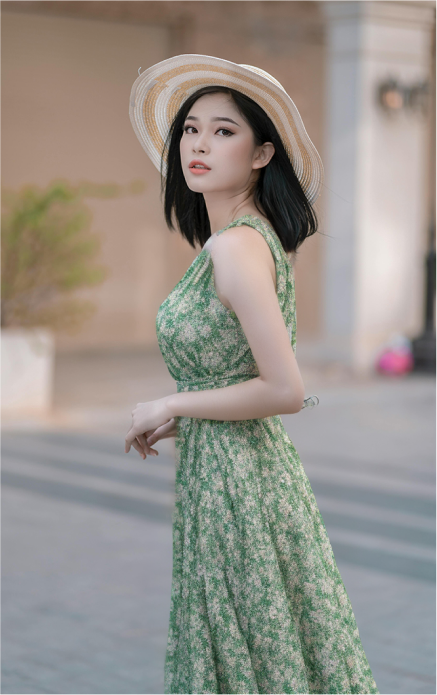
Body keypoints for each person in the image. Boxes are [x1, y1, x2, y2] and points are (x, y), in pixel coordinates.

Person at [126, 55, 380, 694]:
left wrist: (170, 403)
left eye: (223, 131)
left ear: (263, 153)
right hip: (230, 476)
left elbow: (286, 389)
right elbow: (242, 378)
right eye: (190, 129)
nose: (199, 144)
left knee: (246, 660)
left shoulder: (237, 246)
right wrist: (187, 419)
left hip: (241, 492)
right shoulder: (244, 239)